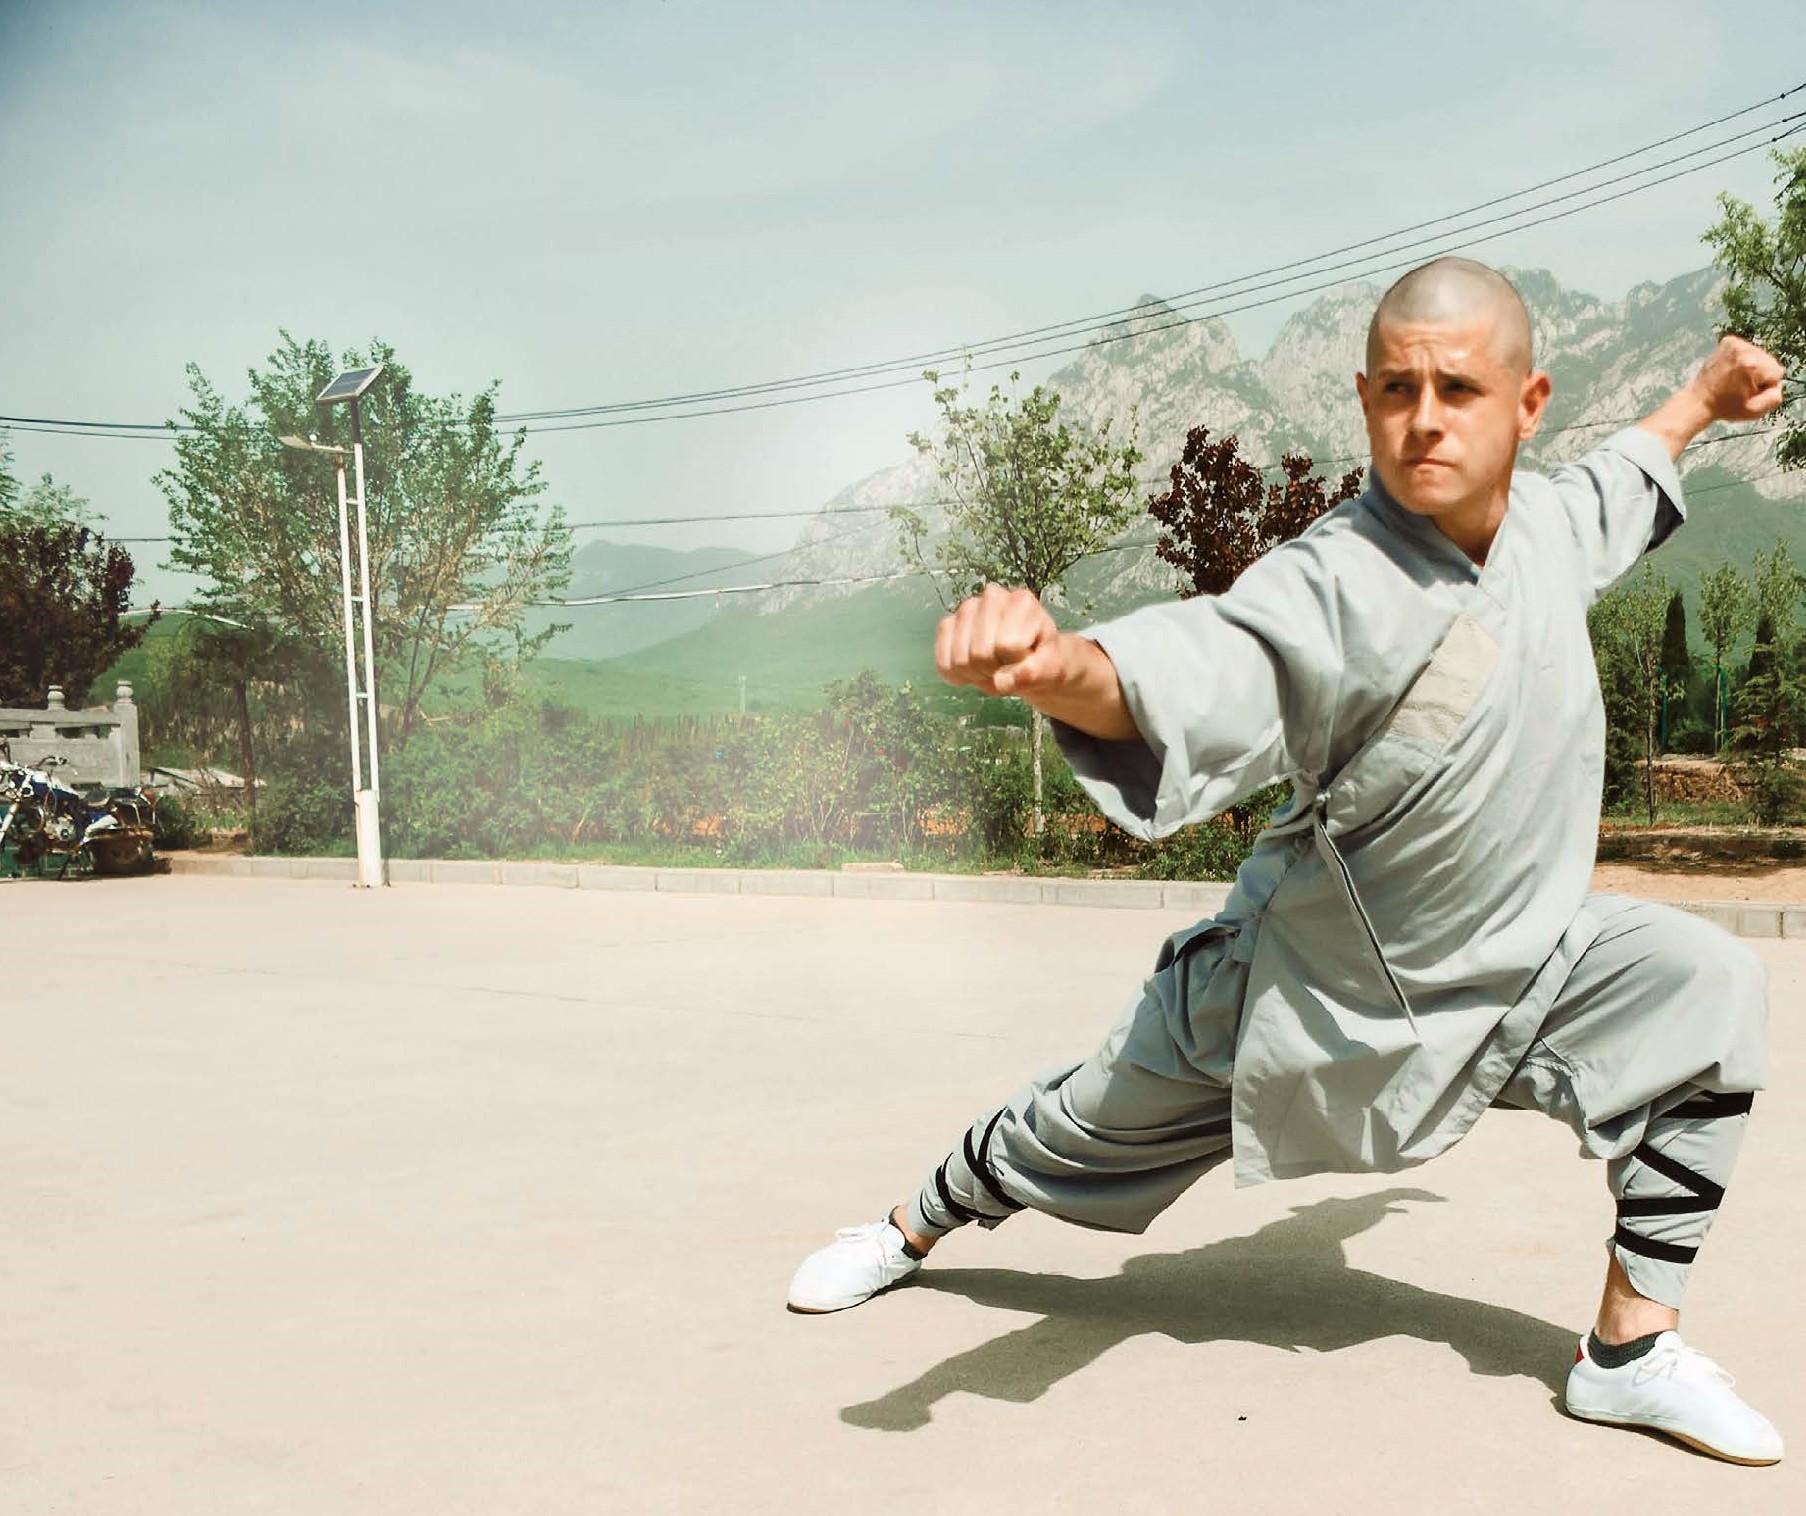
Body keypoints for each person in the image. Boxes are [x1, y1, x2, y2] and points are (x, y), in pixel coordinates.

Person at [786, 256, 1789, 1466]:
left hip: (1519, 966)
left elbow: (1625, 467)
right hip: (1305, 998)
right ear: (1364, 399)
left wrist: (1702, 395)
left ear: (1528, 406)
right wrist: (1061, 670)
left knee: (1706, 985)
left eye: (1460, 389)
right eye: (1399, 389)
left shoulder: (1550, 528)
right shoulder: (1337, 581)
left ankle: (1627, 1355)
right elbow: (1216, 661)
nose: (1426, 419)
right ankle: (910, 1225)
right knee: (1073, 1128)